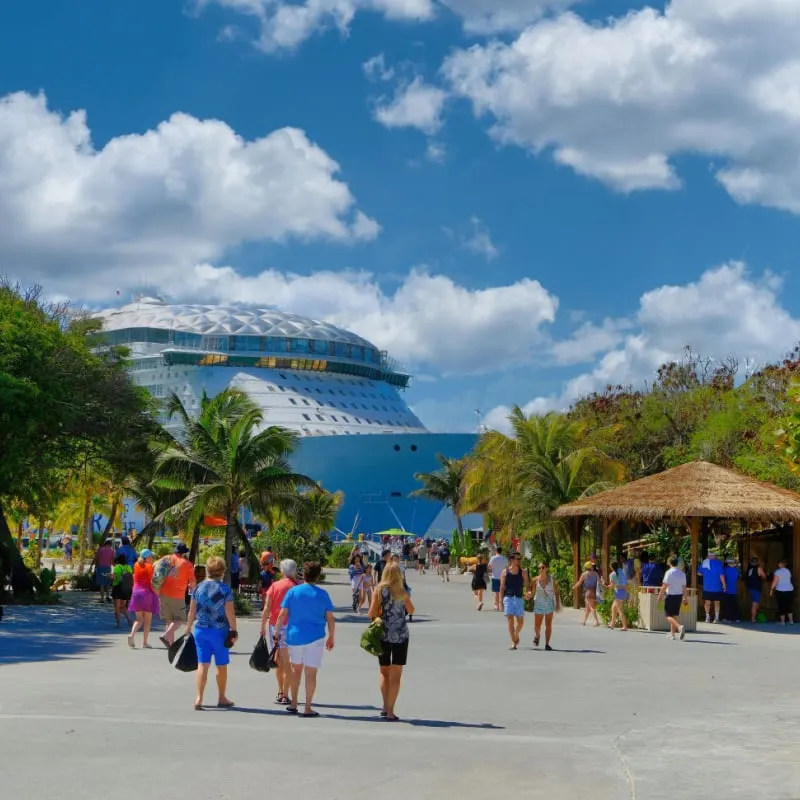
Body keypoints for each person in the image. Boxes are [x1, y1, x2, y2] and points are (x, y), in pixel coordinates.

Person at [274, 563, 336, 717]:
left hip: (295, 636)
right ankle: (307, 706)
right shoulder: (322, 594)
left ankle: (294, 702)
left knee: (296, 671)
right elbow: (330, 618)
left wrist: (277, 632)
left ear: (304, 575)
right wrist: (332, 636)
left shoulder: (293, 592)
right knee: (311, 673)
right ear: (318, 575)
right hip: (315, 636)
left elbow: (282, 614)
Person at [185, 555, 237, 710]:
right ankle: (221, 697)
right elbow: (230, 613)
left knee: (202, 664)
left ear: (207, 570)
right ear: (222, 572)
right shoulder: (224, 590)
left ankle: (199, 698)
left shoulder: (198, 588)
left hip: (201, 630)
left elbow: (192, 611)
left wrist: (188, 628)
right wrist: (234, 630)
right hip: (219, 631)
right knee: (221, 665)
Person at [368, 562, 414, 721]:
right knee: (396, 674)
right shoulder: (402, 591)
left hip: (383, 635)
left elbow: (371, 613)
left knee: (384, 672)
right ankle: (391, 710)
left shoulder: (379, 591)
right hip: (401, 635)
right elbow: (412, 610)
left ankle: (384, 706)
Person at [259, 558, 300, 705]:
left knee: (279, 659)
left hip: (275, 626)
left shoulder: (275, 586)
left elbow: (267, 608)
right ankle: (286, 694)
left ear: (282, 571)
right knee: (288, 660)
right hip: (292, 627)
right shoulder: (297, 587)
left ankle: (281, 691)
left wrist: (262, 626)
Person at [158, 543, 196, 647]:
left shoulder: (167, 559)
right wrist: (191, 587)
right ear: (184, 553)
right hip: (177, 594)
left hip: (163, 593)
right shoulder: (187, 564)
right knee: (180, 619)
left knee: (169, 621)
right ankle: (166, 635)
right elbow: (192, 582)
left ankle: (171, 645)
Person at [127, 549, 159, 649]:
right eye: (151, 557)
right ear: (148, 557)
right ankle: (144, 642)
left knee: (139, 619)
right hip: (147, 594)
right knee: (148, 620)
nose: (152, 558)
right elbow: (153, 582)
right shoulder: (150, 567)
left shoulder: (136, 565)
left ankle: (131, 634)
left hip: (136, 593)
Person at [500, 552, 530, 650]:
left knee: (520, 621)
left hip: (519, 598)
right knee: (510, 620)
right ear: (512, 560)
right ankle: (513, 642)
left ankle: (516, 634)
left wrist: (528, 593)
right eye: (518, 559)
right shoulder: (505, 572)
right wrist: (500, 601)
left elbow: (527, 585)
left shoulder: (523, 572)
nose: (519, 560)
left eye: (520, 559)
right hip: (508, 598)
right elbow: (502, 587)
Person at [531, 562, 560, 651]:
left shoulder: (552, 579)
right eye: (539, 568)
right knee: (537, 625)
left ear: (546, 568)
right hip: (539, 604)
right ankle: (537, 635)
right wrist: (528, 595)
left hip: (549, 604)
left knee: (548, 624)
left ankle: (547, 644)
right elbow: (532, 593)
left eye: (543, 567)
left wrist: (557, 603)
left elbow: (556, 591)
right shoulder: (535, 580)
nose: (541, 569)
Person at [658, 556, 687, 640]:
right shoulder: (682, 573)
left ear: (669, 563)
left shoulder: (668, 572)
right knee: (674, 615)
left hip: (670, 595)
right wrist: (685, 598)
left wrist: (660, 595)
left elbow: (664, 585)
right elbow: (684, 587)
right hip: (679, 596)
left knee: (668, 615)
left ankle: (679, 627)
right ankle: (672, 634)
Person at [699, 551, 726, 623]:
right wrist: (724, 585)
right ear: (714, 556)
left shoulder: (704, 563)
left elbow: (699, 573)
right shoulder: (718, 563)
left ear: (708, 556)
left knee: (707, 602)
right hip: (717, 587)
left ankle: (707, 617)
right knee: (717, 602)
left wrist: (706, 574)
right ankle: (716, 618)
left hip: (707, 586)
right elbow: (721, 575)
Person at [572, 561, 600, 627]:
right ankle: (584, 621)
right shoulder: (596, 573)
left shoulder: (584, 574)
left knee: (591, 607)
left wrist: (574, 587)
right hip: (593, 592)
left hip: (588, 592)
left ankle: (597, 622)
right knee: (588, 608)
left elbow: (579, 582)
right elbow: (599, 582)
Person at [110, 554, 133, 628]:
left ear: (118, 561)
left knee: (117, 607)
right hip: (126, 589)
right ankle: (129, 620)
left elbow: (114, 578)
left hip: (117, 588)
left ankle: (118, 623)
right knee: (123, 607)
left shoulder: (117, 567)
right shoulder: (128, 567)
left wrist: (109, 576)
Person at [770, 559, 794, 625]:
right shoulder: (788, 571)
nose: (778, 565)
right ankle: (791, 621)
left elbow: (775, 581)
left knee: (781, 606)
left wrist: (771, 590)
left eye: (778, 564)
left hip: (780, 590)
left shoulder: (778, 572)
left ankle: (783, 622)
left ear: (781, 564)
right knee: (788, 605)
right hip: (789, 590)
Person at [608, 561, 629, 631]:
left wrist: (603, 584)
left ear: (611, 567)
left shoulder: (612, 574)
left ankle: (625, 626)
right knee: (613, 607)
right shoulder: (621, 572)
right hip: (623, 591)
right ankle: (612, 624)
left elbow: (611, 586)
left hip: (618, 592)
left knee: (620, 610)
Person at [745, 556, 767, 623]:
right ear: (757, 562)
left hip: (749, 588)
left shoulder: (749, 568)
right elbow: (764, 576)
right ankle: (753, 619)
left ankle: (755, 616)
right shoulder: (759, 568)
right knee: (755, 605)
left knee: (756, 604)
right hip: (756, 588)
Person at [488, 547, 509, 611]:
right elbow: (507, 567)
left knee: (496, 592)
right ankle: (501, 605)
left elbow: (489, 566)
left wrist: (492, 568)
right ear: (501, 551)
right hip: (503, 577)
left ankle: (497, 606)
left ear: (496, 551)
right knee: (502, 592)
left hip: (495, 577)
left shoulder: (493, 558)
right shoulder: (505, 558)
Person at [722, 558, 740, 622]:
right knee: (734, 605)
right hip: (734, 590)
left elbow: (721, 577)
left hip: (726, 590)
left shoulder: (724, 570)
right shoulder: (736, 570)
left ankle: (727, 618)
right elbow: (738, 577)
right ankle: (736, 618)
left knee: (727, 605)